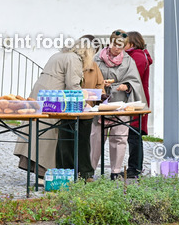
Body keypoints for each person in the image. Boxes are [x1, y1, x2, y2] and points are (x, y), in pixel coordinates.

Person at [14, 40, 84, 180]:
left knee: (35, 130)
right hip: (52, 98)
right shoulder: (73, 58)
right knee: (48, 134)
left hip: (40, 92)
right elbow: (72, 84)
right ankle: (43, 174)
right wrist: (83, 101)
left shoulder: (58, 55)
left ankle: (34, 168)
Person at [89, 30, 145, 179]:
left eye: (121, 46)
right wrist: (100, 83)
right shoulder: (97, 58)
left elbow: (135, 81)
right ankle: (90, 170)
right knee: (96, 137)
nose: (117, 49)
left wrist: (127, 85)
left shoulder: (128, 61)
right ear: (110, 42)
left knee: (119, 137)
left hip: (120, 103)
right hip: (101, 103)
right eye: (115, 45)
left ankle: (115, 171)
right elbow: (89, 76)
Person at [55, 35, 104, 180]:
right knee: (65, 141)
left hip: (86, 110)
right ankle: (67, 173)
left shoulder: (94, 66)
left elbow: (100, 85)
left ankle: (86, 173)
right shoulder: (72, 61)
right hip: (68, 109)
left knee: (84, 142)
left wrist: (96, 98)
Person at [124, 31, 152, 178]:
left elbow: (133, 78)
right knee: (134, 134)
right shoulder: (137, 55)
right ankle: (134, 168)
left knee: (134, 134)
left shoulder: (138, 57)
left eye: (125, 43)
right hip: (137, 98)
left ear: (132, 44)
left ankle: (134, 169)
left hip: (137, 99)